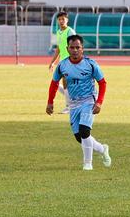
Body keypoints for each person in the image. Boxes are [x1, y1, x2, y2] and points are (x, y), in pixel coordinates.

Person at [47, 35, 111, 170]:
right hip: (73, 103)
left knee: (84, 130)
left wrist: (99, 102)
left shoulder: (90, 64)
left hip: (89, 100)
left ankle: (88, 163)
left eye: (78, 47)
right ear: (67, 49)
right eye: (72, 47)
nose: (75, 50)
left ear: (82, 49)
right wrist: (50, 102)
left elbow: (102, 83)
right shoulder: (62, 65)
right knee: (79, 137)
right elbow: (54, 84)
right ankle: (102, 149)